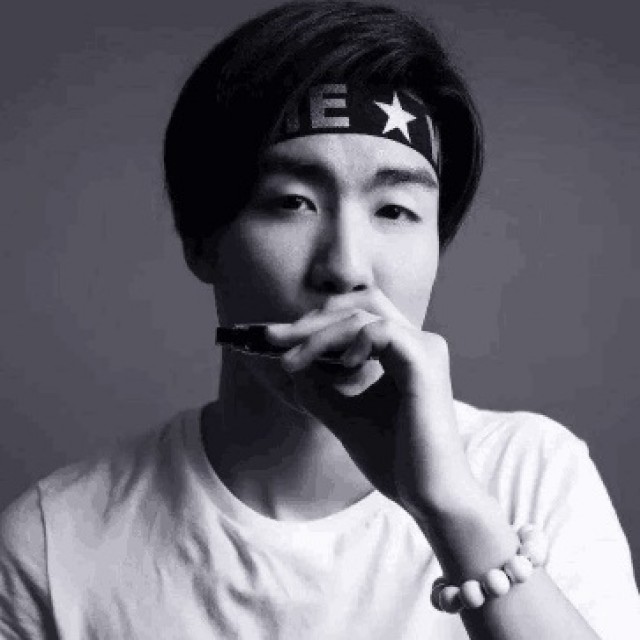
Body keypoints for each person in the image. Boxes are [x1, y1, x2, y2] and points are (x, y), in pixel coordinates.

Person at [1, 1, 638, 638]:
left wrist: (454, 512)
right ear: (202, 240)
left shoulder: (534, 472)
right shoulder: (53, 542)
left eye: (394, 210)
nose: (346, 268)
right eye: (292, 202)